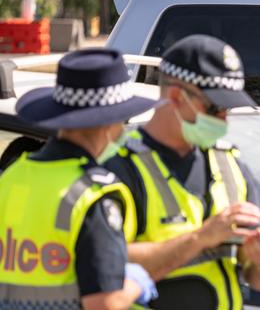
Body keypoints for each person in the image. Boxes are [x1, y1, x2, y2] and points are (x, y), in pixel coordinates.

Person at [104, 35, 260, 310]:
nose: (223, 118)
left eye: (227, 108)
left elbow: (256, 281)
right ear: (176, 96)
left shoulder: (231, 166)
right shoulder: (119, 169)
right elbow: (107, 265)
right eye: (215, 107)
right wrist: (201, 238)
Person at [0, 49, 158, 309]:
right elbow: (104, 303)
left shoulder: (11, 177)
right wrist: (137, 284)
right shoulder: (92, 194)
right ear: (107, 123)